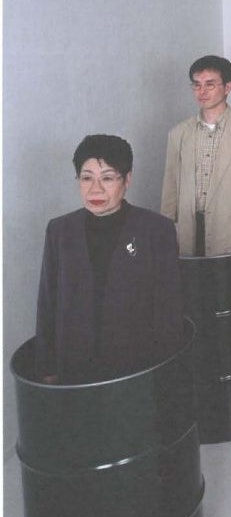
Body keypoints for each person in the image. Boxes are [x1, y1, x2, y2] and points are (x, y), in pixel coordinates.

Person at [36, 135, 184, 384]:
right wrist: (47, 368)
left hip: (136, 369)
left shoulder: (156, 230)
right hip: (75, 367)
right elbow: (47, 305)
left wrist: (163, 376)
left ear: (127, 180)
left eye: (107, 177)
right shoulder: (60, 231)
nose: (96, 189)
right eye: (86, 178)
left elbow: (169, 313)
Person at [161, 55, 231, 257]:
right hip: (187, 232)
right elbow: (170, 193)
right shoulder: (178, 134)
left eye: (210, 85)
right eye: (196, 85)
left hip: (230, 235)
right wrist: (168, 237)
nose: (202, 91)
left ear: (227, 87)